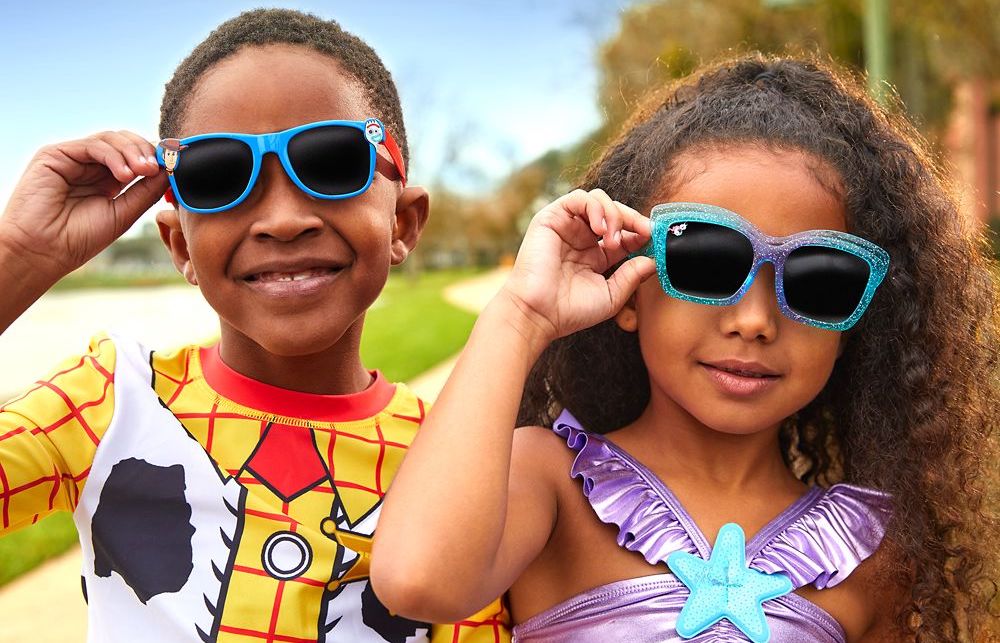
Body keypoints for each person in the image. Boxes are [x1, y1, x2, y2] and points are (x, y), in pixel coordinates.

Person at [371, 54, 1000, 642]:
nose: (754, 320)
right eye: (706, 264)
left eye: (818, 280)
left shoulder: (871, 554)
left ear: (858, 325)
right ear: (630, 290)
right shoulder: (551, 481)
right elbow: (418, 580)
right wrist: (521, 315)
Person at [0, 9, 508, 643]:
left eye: (332, 162)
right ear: (179, 246)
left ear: (403, 223)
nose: (283, 218)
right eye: (219, 176)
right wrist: (17, 259)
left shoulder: (454, 462)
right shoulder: (109, 403)